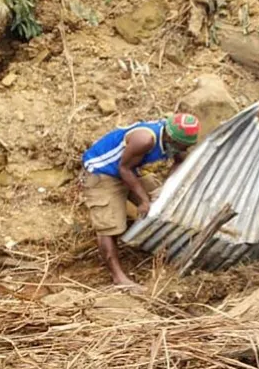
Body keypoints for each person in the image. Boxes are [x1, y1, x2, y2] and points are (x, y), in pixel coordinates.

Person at [82, 114, 200, 289]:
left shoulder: (177, 141)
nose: (182, 149)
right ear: (169, 137)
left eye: (187, 146)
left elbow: (179, 161)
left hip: (129, 169)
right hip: (102, 171)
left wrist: (166, 188)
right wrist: (143, 200)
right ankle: (118, 277)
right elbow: (124, 168)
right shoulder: (144, 140)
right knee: (109, 226)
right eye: (180, 146)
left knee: (160, 201)